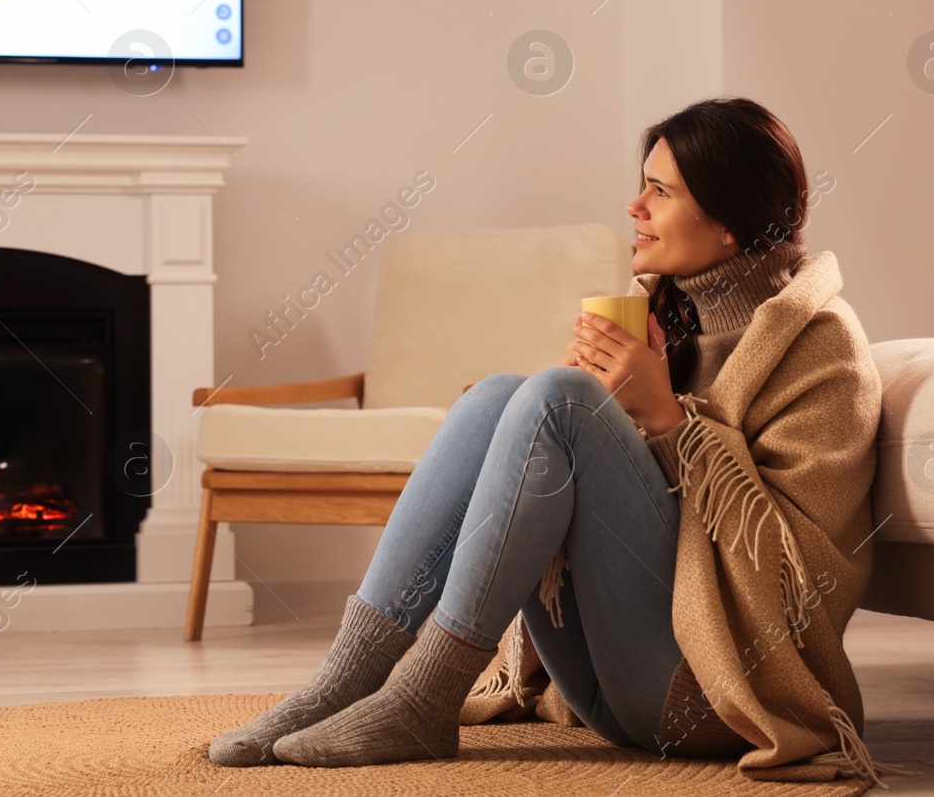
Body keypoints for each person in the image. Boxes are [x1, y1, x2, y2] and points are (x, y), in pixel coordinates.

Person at [208, 96, 895, 787]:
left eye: (660, 191)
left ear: (728, 224)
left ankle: (424, 697)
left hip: (714, 695)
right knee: (499, 395)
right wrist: (613, 420)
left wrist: (664, 417)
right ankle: (346, 679)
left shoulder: (822, 350)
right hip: (604, 686)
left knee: (556, 401)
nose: (635, 207)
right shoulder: (664, 311)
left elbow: (799, 580)